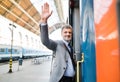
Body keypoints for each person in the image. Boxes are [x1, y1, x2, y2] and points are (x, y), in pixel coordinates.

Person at [39, 2, 76, 82]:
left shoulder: (71, 47)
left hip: (70, 80)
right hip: (60, 79)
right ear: (61, 34)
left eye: (69, 32)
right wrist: (44, 21)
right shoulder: (57, 44)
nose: (68, 34)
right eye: (65, 32)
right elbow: (45, 41)